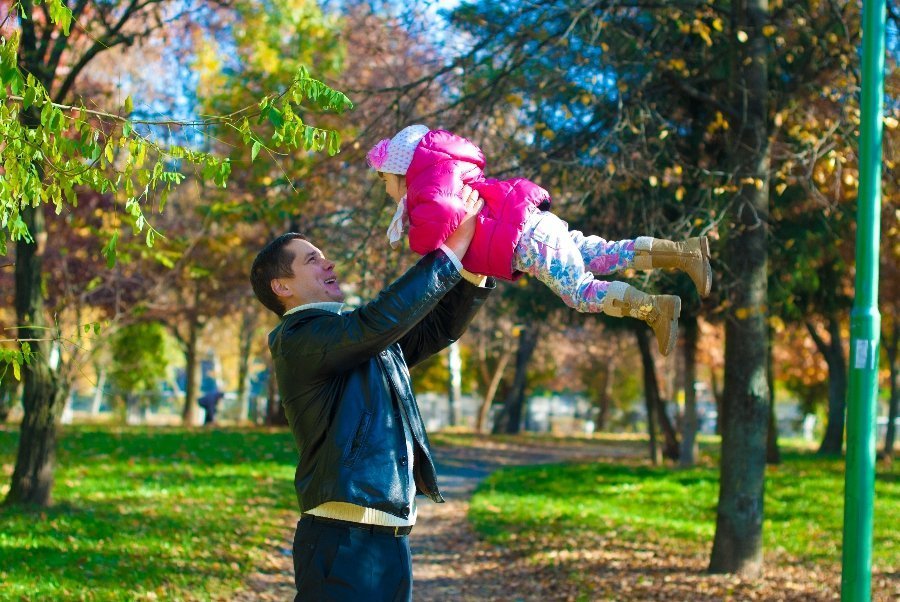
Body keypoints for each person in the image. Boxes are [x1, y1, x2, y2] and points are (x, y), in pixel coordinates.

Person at [249, 189, 492, 601]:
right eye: (311, 260)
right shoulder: (298, 338)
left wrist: (476, 267)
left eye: (323, 256)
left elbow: (436, 329)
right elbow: (377, 322)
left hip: (391, 539)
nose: (328, 263)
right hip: (343, 541)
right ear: (282, 286)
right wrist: (452, 249)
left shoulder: (353, 338)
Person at [368, 124, 714, 356]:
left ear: (401, 172)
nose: (386, 191)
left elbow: (440, 218)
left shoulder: (427, 186)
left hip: (528, 242)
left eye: (385, 181)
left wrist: (419, 241)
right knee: (602, 253)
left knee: (580, 292)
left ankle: (655, 309)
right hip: (535, 226)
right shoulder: (446, 171)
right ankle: (686, 254)